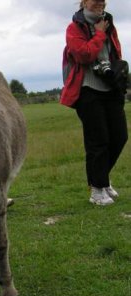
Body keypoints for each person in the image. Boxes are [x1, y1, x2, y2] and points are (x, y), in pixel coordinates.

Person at [60, 0, 128, 205]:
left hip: (110, 88)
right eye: (94, 0)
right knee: (98, 141)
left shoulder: (108, 22)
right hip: (87, 90)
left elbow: (114, 51)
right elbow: (84, 54)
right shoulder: (74, 27)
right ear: (84, 2)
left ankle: (102, 180)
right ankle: (97, 191)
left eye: (102, 0)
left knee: (119, 137)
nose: (100, 3)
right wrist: (98, 34)